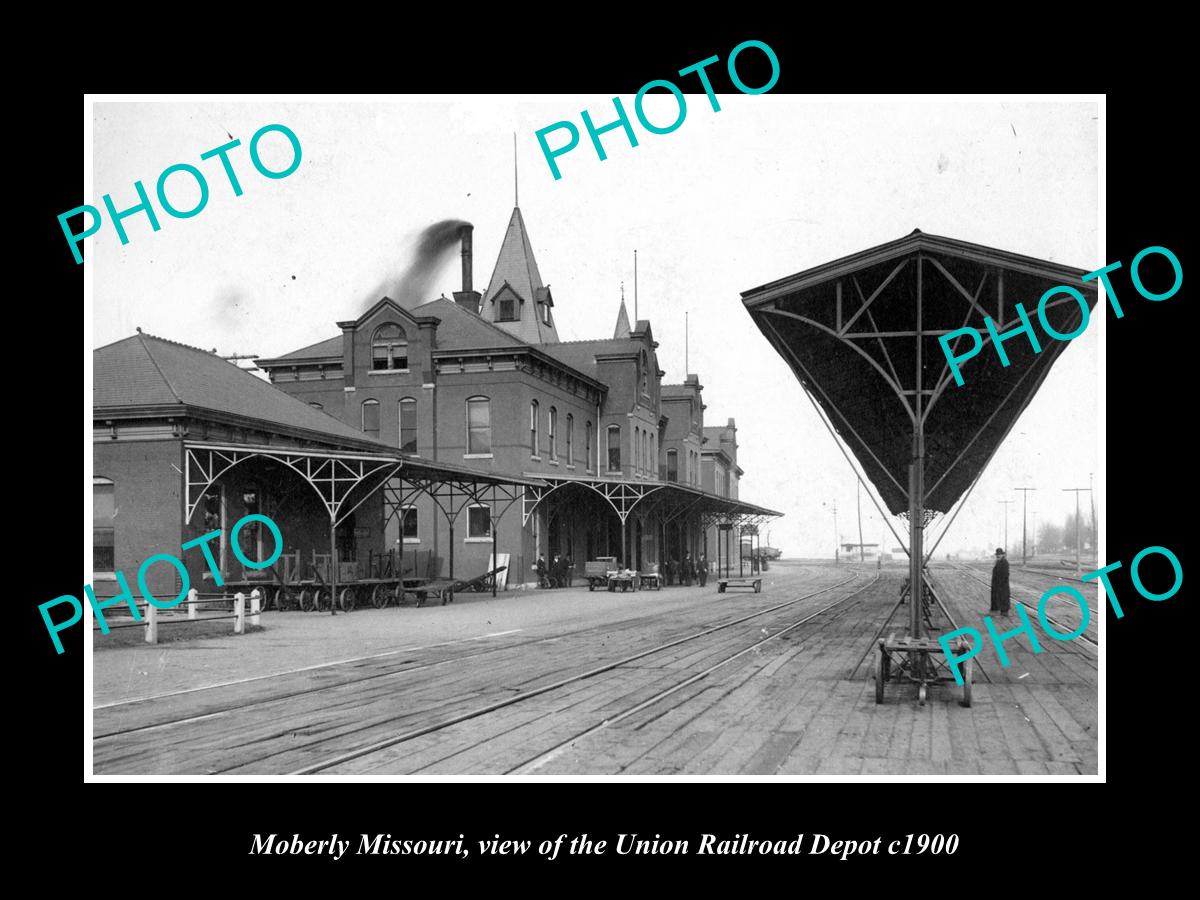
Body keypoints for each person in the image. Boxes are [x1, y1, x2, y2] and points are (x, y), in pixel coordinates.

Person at [989, 547, 1010, 617]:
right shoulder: (998, 562)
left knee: (1004, 597)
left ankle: (1004, 612)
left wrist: (1000, 583)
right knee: (997, 597)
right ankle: (997, 610)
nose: (998, 555)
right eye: (997, 554)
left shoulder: (1004, 562)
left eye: (1000, 554)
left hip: (1002, 584)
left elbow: (1005, 574)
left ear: (1002, 555)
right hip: (997, 584)